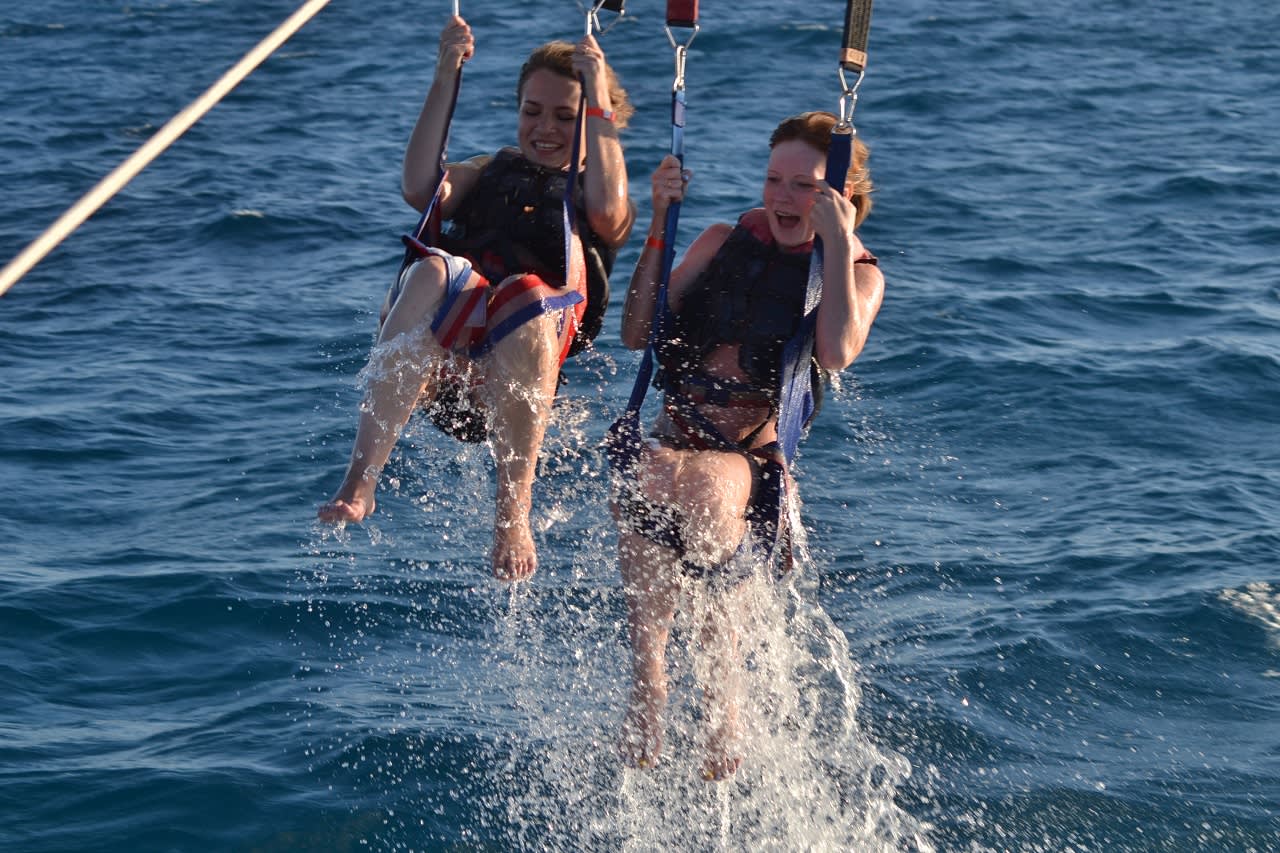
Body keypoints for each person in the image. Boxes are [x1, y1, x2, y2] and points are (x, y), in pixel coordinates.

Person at [611, 111, 885, 780]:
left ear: (841, 196)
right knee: (650, 473)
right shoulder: (719, 240)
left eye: (805, 186)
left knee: (706, 487)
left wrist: (837, 240)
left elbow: (836, 351)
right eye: (773, 180)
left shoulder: (857, 274)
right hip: (672, 434)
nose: (783, 198)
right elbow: (636, 330)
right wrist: (658, 219)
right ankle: (649, 682)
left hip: (750, 462)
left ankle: (722, 695)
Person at [319, 16, 634, 581]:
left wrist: (598, 94)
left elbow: (610, 212)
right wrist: (446, 74)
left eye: (566, 116)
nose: (545, 128)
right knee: (430, 272)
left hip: (516, 376)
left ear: (592, 119)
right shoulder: (487, 170)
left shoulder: (593, 194)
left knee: (526, 293)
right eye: (532, 111)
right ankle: (360, 479)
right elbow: (420, 188)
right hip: (446, 371)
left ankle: (512, 516)